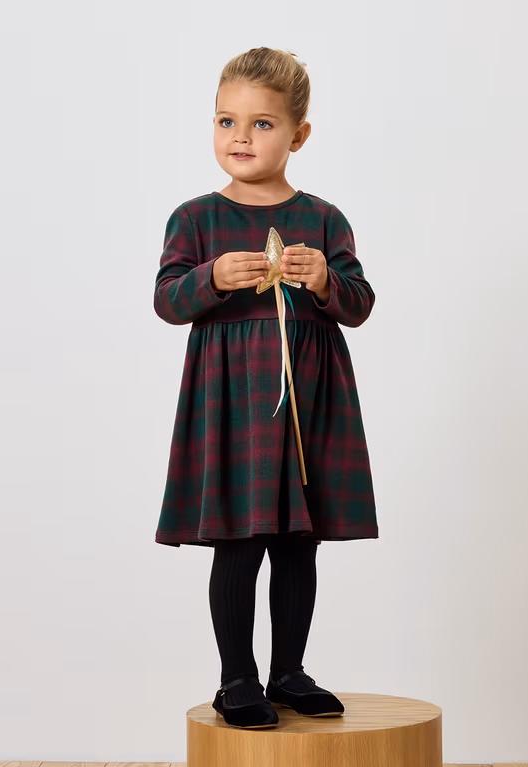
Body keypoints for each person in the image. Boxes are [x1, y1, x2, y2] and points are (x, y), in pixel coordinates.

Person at [152, 46, 378, 729]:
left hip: (309, 401)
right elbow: (167, 300)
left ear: (298, 135)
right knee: (240, 538)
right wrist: (213, 277)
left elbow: (360, 303)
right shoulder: (196, 218)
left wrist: (324, 280)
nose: (241, 137)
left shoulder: (324, 218)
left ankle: (288, 671)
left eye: (262, 123)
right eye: (227, 121)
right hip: (233, 402)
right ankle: (236, 679)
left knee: (297, 540)